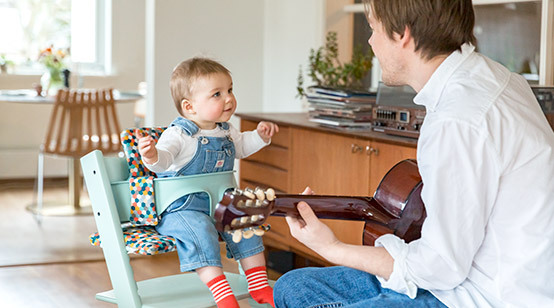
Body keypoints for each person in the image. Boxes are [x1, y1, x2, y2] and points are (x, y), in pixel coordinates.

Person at [273, 0, 554, 307]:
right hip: (461, 278)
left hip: (483, 297)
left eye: (373, 28)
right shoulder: (497, 78)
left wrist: (332, 247)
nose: (370, 41)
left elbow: (440, 267)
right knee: (294, 287)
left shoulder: (457, 119)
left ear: (402, 34)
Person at [137, 57, 278, 308]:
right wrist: (152, 155)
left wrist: (259, 137)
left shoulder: (225, 130)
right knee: (199, 229)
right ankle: (222, 294)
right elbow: (164, 160)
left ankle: (259, 284)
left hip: (220, 205)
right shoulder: (179, 134)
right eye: (217, 94)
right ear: (189, 107)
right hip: (181, 210)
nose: (228, 98)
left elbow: (242, 147)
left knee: (245, 218)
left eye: (230, 90)